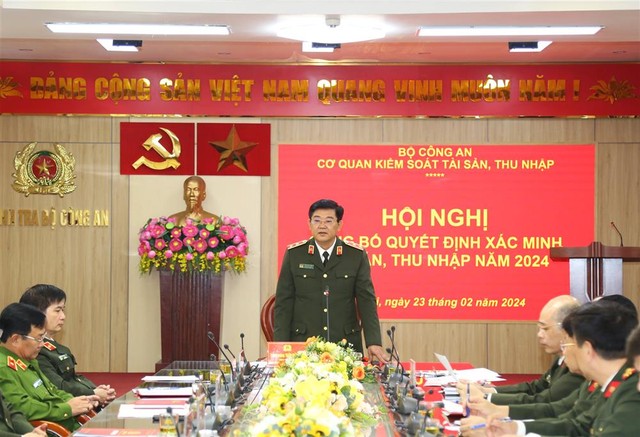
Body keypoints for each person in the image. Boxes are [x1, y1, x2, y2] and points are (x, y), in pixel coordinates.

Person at [472, 299, 638, 436]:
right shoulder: (608, 383)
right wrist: (515, 429)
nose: (564, 351)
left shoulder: (631, 394)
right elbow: (577, 426)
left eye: (568, 343)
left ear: (587, 350)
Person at [273, 198, 386, 363]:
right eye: (317, 220)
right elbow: (284, 303)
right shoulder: (295, 254)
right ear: (309, 224)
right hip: (304, 344)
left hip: (345, 344)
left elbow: (366, 301)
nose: (322, 226)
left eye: (328, 221)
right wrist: (280, 346)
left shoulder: (355, 255)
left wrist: (373, 341)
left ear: (339, 225)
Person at [459, 295, 583, 405]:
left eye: (545, 328)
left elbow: (544, 401)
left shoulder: (578, 367)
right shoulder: (561, 357)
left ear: (567, 328)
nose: (539, 335)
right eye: (539, 328)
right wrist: (487, 390)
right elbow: (536, 388)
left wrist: (486, 397)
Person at [0, 303, 99, 432]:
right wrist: (67, 409)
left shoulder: (28, 360)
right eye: (39, 338)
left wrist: (77, 401)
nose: (42, 344)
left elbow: (52, 390)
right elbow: (23, 408)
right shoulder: (3, 368)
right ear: (16, 339)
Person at [19, 284, 116, 406]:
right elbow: (57, 386)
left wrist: (95, 389)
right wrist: (93, 393)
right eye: (57, 310)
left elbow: (73, 378)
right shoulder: (34, 349)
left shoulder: (53, 345)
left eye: (63, 310)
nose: (63, 317)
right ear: (37, 313)